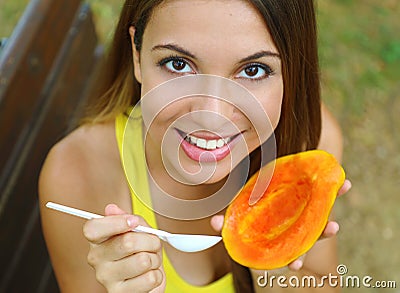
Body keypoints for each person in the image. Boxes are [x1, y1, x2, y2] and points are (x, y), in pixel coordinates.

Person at [39, 0, 351, 292]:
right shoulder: (76, 177)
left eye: (253, 70)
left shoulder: (309, 147)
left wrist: (271, 267)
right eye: (177, 64)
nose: (212, 117)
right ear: (137, 55)